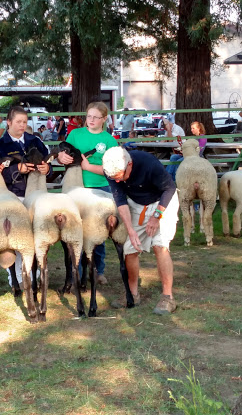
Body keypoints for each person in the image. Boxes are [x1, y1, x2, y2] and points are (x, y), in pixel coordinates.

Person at [102, 146, 178, 315]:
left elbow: (170, 189)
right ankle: (132, 293)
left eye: (121, 176)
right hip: (137, 204)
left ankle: (168, 296)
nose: (119, 181)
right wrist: (130, 230)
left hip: (163, 202)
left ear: (129, 164)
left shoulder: (148, 163)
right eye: (115, 178)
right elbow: (120, 200)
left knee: (160, 245)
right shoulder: (111, 170)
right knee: (129, 248)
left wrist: (156, 216)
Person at [58, 101, 118, 284]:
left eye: (96, 117)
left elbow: (113, 168)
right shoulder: (75, 134)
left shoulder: (109, 140)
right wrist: (62, 157)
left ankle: (98, 270)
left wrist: (89, 166)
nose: (91, 120)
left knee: (97, 230)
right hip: (75, 188)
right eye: (89, 116)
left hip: (99, 188)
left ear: (104, 119)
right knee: (76, 229)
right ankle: (78, 270)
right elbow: (64, 152)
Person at [0, 106, 51, 286]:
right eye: (18, 122)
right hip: (13, 195)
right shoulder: (0, 147)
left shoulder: (35, 141)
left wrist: (46, 169)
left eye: (24, 122)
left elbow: (48, 163)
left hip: (36, 194)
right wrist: (16, 169)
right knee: (18, 237)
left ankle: (37, 273)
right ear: (8, 122)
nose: (22, 125)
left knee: (37, 234)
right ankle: (17, 276)